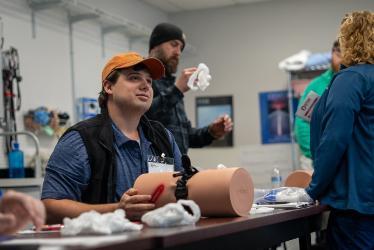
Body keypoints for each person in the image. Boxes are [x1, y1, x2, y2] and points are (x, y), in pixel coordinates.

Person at [41, 52, 183, 223]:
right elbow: (49, 207)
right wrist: (117, 210)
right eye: (134, 78)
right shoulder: (81, 139)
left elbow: (183, 188)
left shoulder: (163, 137)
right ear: (109, 87)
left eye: (149, 81)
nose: (145, 86)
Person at [306, 11, 374, 249]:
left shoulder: (351, 79)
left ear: (349, 39)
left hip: (356, 206)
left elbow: (334, 139)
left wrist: (312, 190)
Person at [147, 23, 233, 154]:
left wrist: (212, 132)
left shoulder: (172, 87)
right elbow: (143, 117)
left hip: (177, 168)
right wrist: (177, 90)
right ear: (155, 45)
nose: (178, 52)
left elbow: (186, 136)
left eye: (181, 48)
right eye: (174, 44)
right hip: (155, 168)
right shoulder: (143, 79)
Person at [294, 40, 342, 169]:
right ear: (332, 53)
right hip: (317, 160)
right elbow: (302, 123)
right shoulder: (317, 86)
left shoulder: (357, 83)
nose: (343, 61)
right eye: (339, 54)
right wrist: (315, 153)